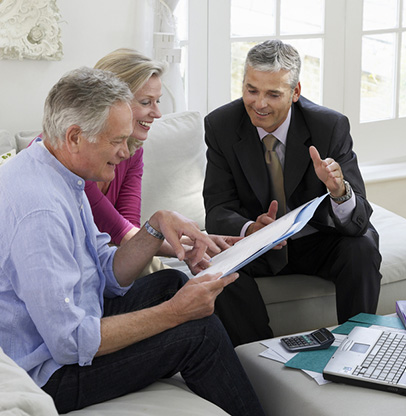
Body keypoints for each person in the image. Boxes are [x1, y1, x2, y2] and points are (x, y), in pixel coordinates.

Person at [0, 67, 264, 415]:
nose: (126, 152)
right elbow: (70, 342)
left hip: (68, 330)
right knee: (197, 333)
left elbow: (106, 274)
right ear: (75, 136)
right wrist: (174, 313)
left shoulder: (59, 171)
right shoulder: (41, 213)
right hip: (49, 374)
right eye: (116, 141)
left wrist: (154, 228)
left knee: (171, 281)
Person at [203, 40, 382, 346]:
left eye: (273, 94)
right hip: (255, 247)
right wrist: (249, 229)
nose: (259, 104)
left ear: (295, 92)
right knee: (217, 268)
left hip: (315, 241)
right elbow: (217, 210)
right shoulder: (221, 125)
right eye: (251, 90)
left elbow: (359, 219)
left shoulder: (329, 126)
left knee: (362, 246)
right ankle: (259, 362)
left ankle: (357, 347)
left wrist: (339, 191)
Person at [86, 49, 237, 274]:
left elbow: (130, 229)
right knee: (174, 281)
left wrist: (192, 242)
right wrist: (184, 244)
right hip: (78, 268)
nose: (157, 113)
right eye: (147, 102)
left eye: (158, 101)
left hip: (111, 260)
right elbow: (120, 231)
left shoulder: (133, 150)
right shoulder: (75, 153)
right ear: (111, 102)